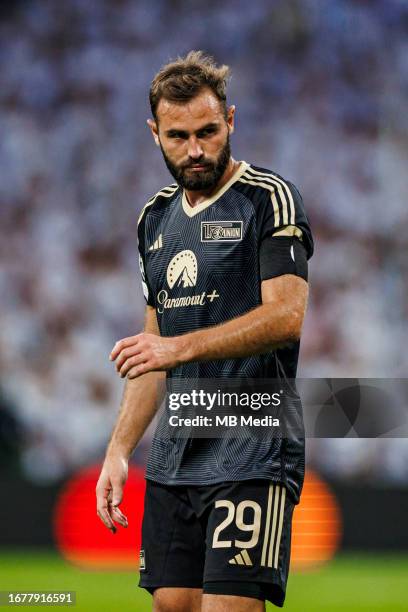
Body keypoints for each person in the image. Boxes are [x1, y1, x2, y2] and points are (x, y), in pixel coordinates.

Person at [96, 50, 313, 611]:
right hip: (177, 450)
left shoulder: (268, 199)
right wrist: (119, 451)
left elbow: (286, 317)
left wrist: (177, 346)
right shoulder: (153, 219)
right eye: (178, 135)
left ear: (231, 121)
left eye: (208, 131)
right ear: (155, 133)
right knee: (173, 604)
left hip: (255, 442)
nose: (194, 149)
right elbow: (151, 352)